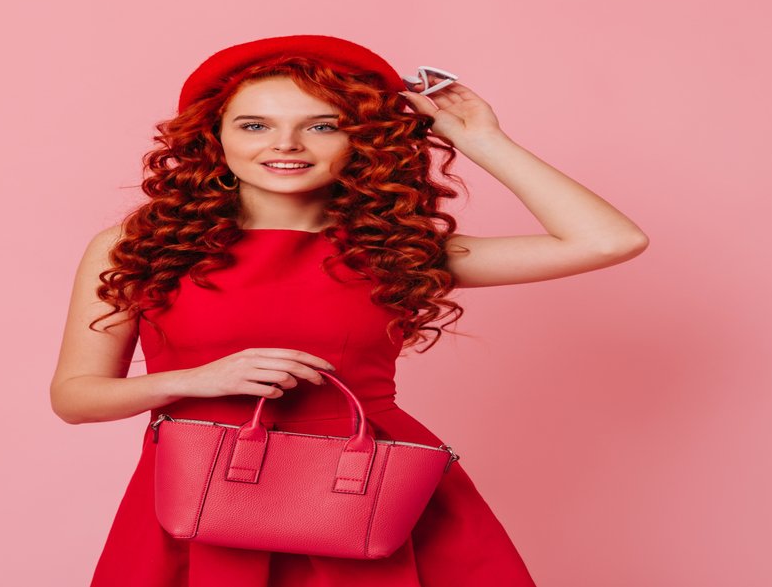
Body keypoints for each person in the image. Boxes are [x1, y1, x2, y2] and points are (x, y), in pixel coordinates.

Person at [50, 34, 648, 586]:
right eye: (255, 124)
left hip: (370, 498)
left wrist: (481, 140)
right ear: (215, 136)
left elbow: (607, 240)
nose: (285, 144)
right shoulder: (140, 246)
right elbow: (75, 397)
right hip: (198, 500)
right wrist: (198, 382)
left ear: (360, 139)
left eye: (322, 125)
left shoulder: (400, 248)